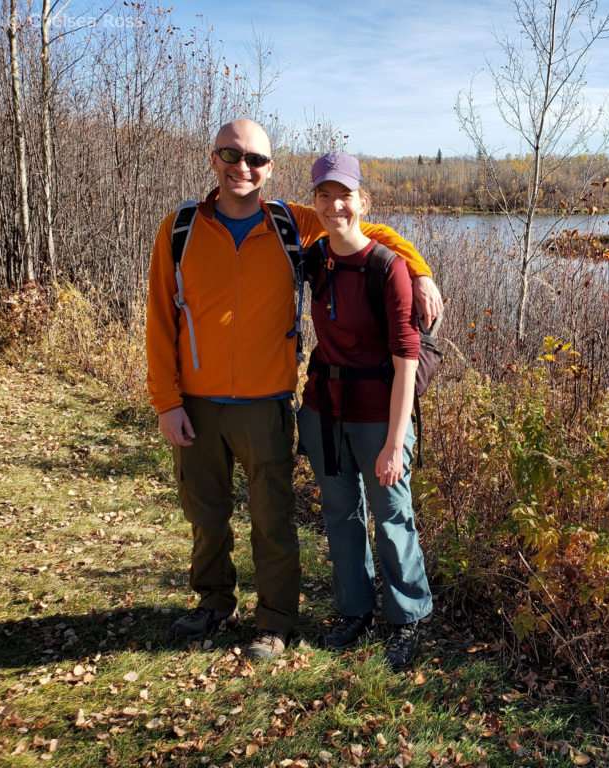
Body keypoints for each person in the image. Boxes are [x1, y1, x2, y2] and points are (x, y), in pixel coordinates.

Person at [146, 120, 441, 661]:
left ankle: (276, 621)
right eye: (230, 154)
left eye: (255, 159)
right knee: (205, 513)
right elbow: (160, 319)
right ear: (213, 159)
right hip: (198, 402)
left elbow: (361, 232)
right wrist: (166, 401)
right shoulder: (181, 229)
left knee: (273, 518)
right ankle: (214, 603)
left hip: (267, 403)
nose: (243, 167)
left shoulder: (289, 223)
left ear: (270, 169)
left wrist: (418, 270)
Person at [296, 151, 432, 670]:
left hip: (379, 416)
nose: (335, 206)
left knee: (392, 515)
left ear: (363, 201)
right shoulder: (313, 259)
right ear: (315, 204)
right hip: (323, 411)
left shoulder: (388, 268)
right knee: (340, 514)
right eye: (324, 196)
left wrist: (396, 443)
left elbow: (405, 363)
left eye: (344, 195)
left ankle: (407, 617)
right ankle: (355, 610)